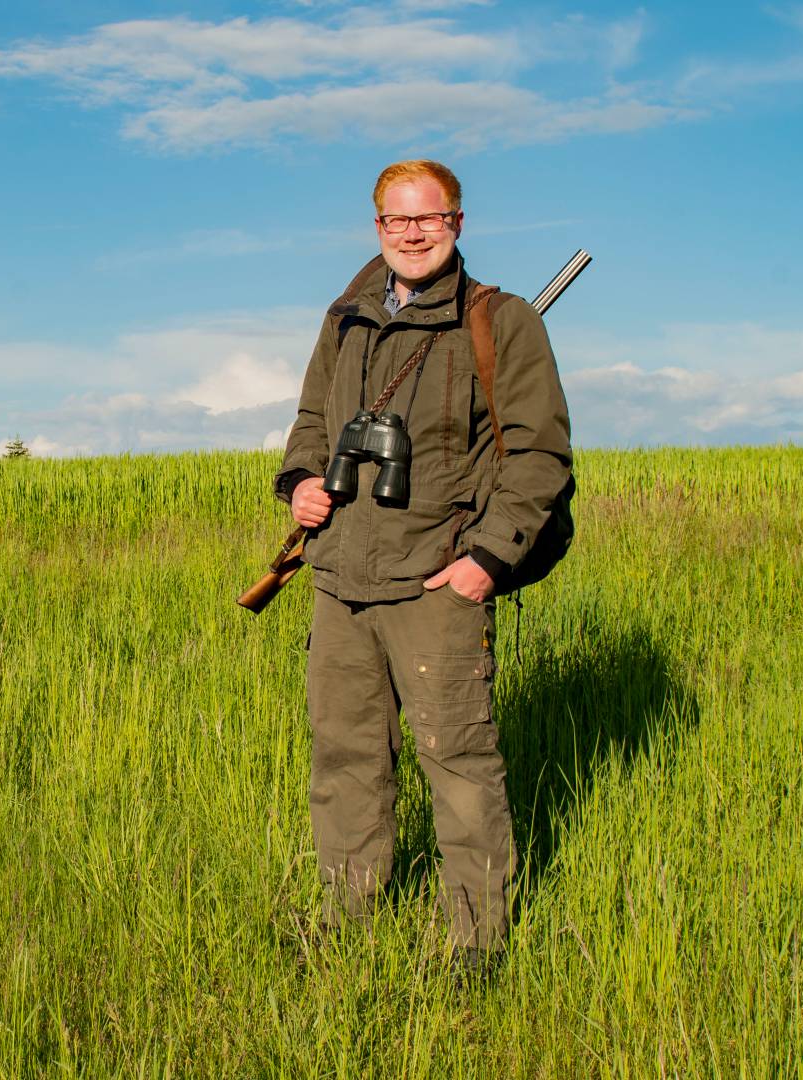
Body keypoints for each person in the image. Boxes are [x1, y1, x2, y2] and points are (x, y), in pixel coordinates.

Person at [273, 159, 572, 974]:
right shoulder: (346, 320)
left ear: (458, 223)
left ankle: (477, 952)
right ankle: (347, 927)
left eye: (428, 218)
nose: (412, 233)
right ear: (376, 228)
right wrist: (300, 483)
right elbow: (309, 421)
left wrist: (485, 560)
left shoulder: (501, 322)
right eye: (396, 220)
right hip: (339, 581)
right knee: (344, 761)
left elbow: (541, 458)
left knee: (460, 764)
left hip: (438, 579)